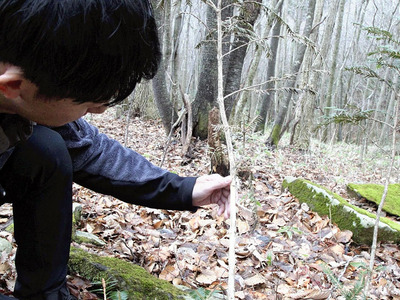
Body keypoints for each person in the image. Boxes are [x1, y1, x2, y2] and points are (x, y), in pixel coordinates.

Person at [0, 1, 231, 299]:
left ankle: (47, 293)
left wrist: (185, 189)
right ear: (13, 86)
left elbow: (90, 149)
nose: (99, 110)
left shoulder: (26, 71)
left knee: (46, 149)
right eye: (87, 102)